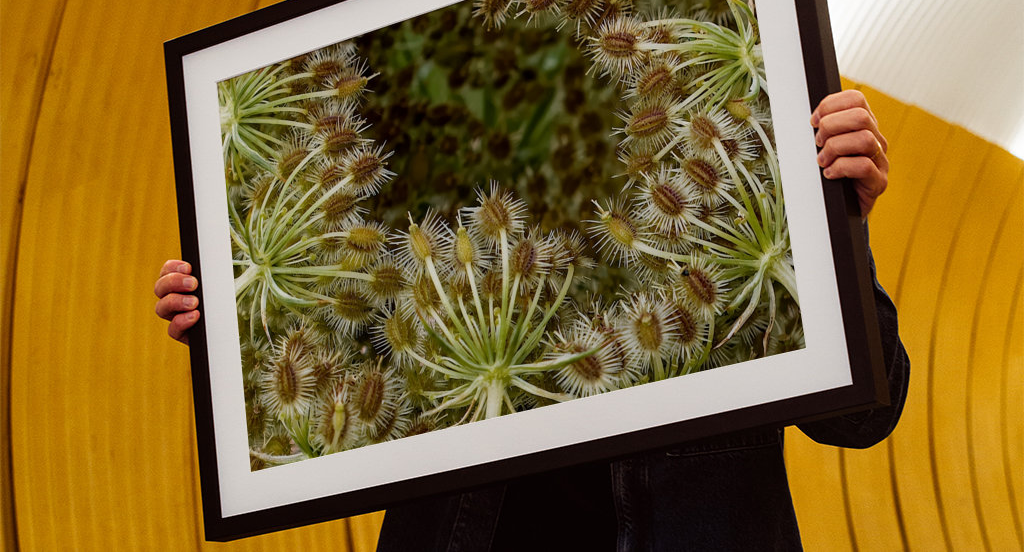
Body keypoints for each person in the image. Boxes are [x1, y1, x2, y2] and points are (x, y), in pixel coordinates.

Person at [155, 90, 908, 551]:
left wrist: (836, 225)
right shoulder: (440, 273)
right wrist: (232, 322)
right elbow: (328, 369)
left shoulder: (720, 248)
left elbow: (866, 415)